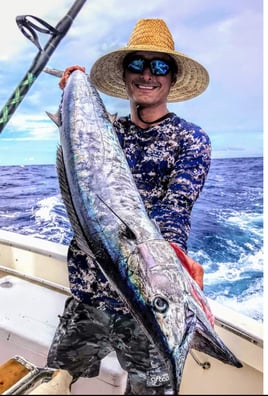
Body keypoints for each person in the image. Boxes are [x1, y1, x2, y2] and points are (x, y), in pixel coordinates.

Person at [47, 18, 211, 394]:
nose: (148, 75)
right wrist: (76, 90)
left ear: (171, 78)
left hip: (145, 308)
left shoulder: (190, 140)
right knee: (55, 380)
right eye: (137, 64)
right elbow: (77, 162)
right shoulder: (106, 129)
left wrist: (173, 254)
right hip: (89, 293)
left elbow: (176, 207)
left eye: (160, 66)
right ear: (125, 74)